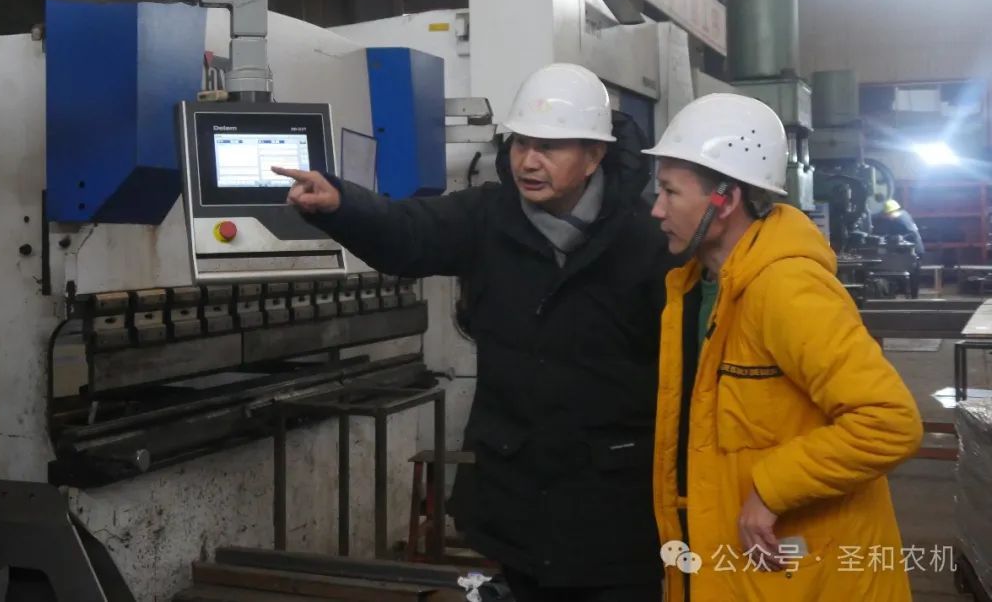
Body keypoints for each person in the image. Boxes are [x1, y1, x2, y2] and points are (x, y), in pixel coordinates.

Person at [274, 64, 673, 601]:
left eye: (549, 147)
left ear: (594, 155)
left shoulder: (647, 241)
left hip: (614, 511)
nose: (528, 161)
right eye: (521, 143)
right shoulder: (489, 216)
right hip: (516, 502)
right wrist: (342, 206)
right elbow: (408, 231)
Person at [643, 93, 923, 602]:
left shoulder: (785, 288)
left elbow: (888, 420)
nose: (657, 209)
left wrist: (774, 488)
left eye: (669, 192)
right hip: (741, 566)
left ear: (724, 199)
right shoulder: (695, 289)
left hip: (811, 575)